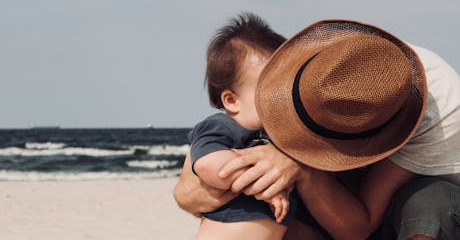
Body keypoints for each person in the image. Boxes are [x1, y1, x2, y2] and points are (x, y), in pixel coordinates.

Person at [174, 19, 460, 240]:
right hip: (336, 201)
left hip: (394, 207)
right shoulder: (327, 69)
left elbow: (359, 226)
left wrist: (299, 165)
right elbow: (194, 182)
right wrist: (189, 191)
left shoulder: (442, 107)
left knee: (432, 204)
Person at [186, 13, 299, 240]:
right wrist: (265, 189)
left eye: (285, 90)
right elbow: (209, 166)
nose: (282, 100)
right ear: (231, 100)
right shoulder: (221, 127)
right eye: (270, 92)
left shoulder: (274, 137)